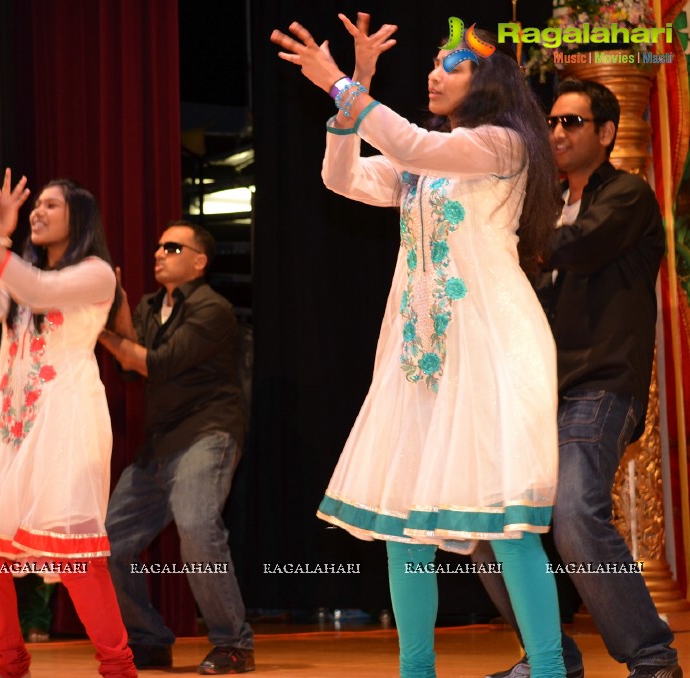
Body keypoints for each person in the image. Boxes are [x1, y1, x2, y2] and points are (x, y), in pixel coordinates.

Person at [271, 12, 567, 678]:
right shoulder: (423, 164)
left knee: (509, 525)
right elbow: (341, 178)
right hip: (422, 356)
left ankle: (548, 669)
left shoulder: (503, 145)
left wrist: (342, 85)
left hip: (490, 349)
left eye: (449, 65)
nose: (433, 73)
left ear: (486, 81)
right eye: (432, 63)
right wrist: (360, 84)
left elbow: (408, 145)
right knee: (404, 528)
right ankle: (416, 671)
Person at [471, 79, 681, 678]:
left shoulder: (629, 196)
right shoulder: (546, 204)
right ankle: (550, 657)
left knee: (574, 516)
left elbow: (577, 247)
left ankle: (651, 656)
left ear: (607, 133)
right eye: (552, 123)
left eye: (572, 123)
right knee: (485, 523)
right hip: (533, 393)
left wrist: (496, 243)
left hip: (600, 386)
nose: (556, 133)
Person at [0, 170, 137, 678]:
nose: (37, 212)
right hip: (9, 426)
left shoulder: (98, 274)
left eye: (51, 206)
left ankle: (118, 668)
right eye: (35, 205)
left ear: (78, 218)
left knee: (77, 561)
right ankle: (11, 665)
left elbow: (39, 290)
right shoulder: (22, 271)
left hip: (65, 423)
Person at [97, 220, 255, 674]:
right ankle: (147, 639)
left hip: (207, 433)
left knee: (197, 525)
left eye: (172, 246)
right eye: (158, 246)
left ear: (199, 261)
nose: (159, 253)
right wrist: (121, 309)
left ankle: (234, 644)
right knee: (109, 543)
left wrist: (97, 330)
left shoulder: (213, 309)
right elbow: (132, 364)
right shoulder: (150, 305)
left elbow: (158, 363)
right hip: (160, 443)